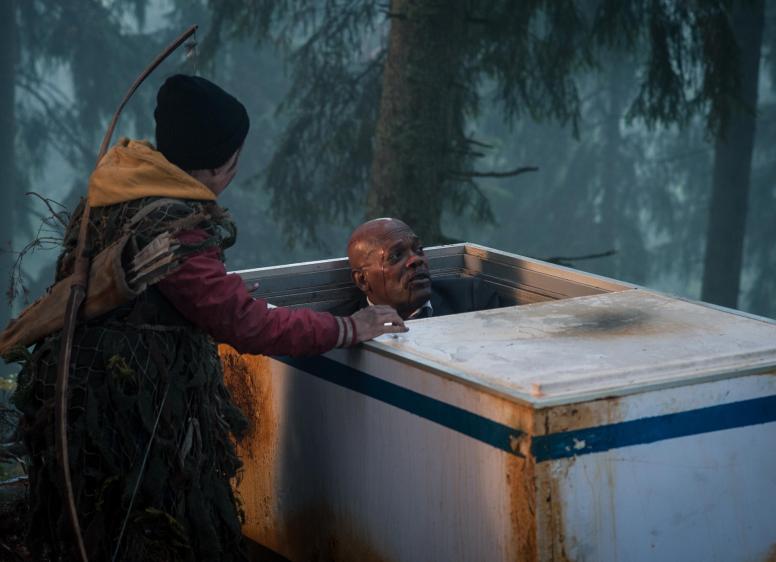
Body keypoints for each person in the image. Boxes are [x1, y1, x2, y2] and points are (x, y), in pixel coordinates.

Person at [10, 75, 405, 561]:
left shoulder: (121, 183)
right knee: (142, 530)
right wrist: (348, 327)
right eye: (235, 158)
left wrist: (215, 292)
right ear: (219, 166)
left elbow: (168, 289)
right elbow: (246, 325)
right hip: (124, 406)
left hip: (74, 376)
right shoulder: (174, 225)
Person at [331, 218, 501, 319]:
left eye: (418, 249)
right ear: (363, 280)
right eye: (396, 255)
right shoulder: (342, 327)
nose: (416, 259)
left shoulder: (472, 300)